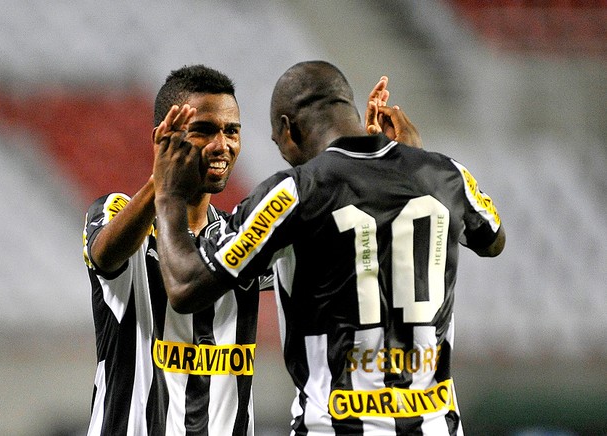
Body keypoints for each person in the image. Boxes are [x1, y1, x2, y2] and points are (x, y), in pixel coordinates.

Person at [152, 60, 505, 435]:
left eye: (278, 143)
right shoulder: (447, 175)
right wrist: (413, 162)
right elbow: (493, 240)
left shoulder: (294, 192)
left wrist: (168, 194)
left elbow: (186, 287)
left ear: (288, 129)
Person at [82, 65, 276, 436]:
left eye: (231, 131)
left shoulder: (241, 235)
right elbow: (106, 255)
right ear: (163, 138)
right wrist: (162, 181)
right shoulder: (118, 213)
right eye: (204, 130)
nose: (223, 145)